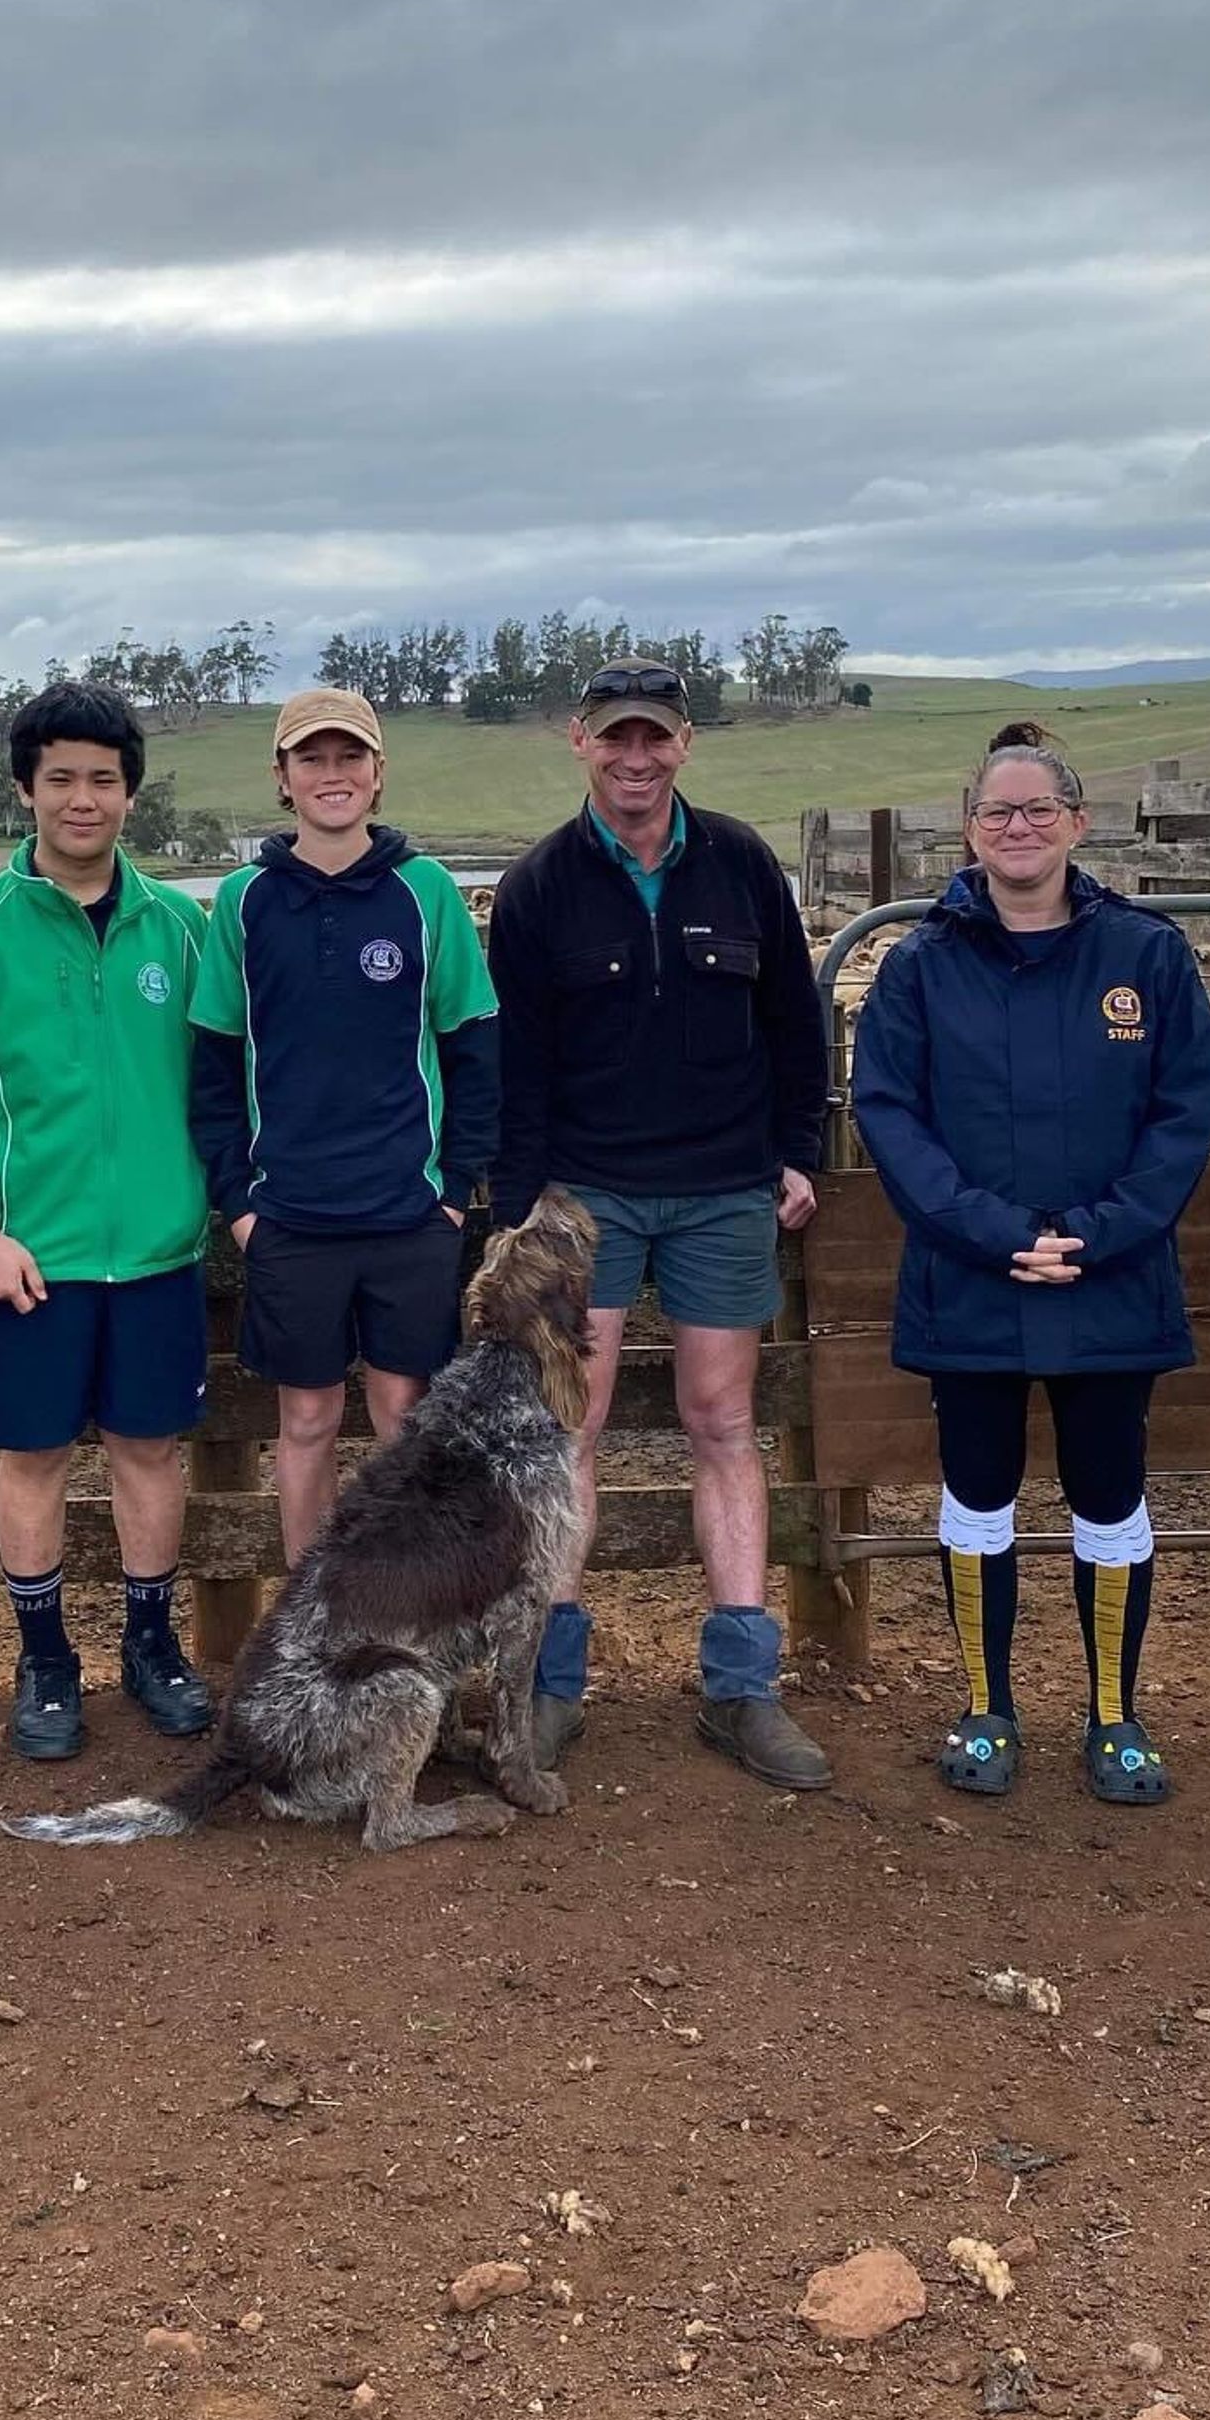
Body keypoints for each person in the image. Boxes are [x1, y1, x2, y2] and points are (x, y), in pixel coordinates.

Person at [852, 723, 1210, 1803]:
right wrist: (995, 1232)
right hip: (971, 1280)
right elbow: (889, 1113)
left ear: (1076, 822)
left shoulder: (1146, 955)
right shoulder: (919, 965)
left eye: (1037, 809)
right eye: (995, 812)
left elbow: (1186, 1107)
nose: (1017, 828)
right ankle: (987, 1707)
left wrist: (1102, 1233)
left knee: (1110, 1496)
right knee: (977, 1493)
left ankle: (1114, 1715)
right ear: (969, 831)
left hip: (1113, 1282)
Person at [487, 660, 828, 1788]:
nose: (635, 759)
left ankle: (742, 1687)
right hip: (585, 1197)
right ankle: (549, 1684)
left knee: (722, 1419)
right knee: (568, 1433)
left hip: (724, 1188)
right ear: (579, 741)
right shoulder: (538, 885)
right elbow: (518, 1058)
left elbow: (795, 1020)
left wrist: (797, 1149)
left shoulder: (741, 863)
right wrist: (520, 1202)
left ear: (685, 743)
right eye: (615, 738)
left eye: (656, 738)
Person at [0, 682, 217, 1762]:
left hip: (156, 1250)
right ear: (25, 788)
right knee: (35, 1456)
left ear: (131, 793)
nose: (82, 798)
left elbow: (218, 1082)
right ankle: (45, 1659)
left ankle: (152, 1643)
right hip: (28, 1255)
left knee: (149, 1448)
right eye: (61, 778)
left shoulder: (182, 929)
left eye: (103, 778)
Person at [190, 687, 499, 1563]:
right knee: (307, 1418)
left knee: (406, 1415)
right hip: (291, 1215)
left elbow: (475, 1050)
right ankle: (313, 1615)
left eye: (350, 756)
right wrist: (241, 1205)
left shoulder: (425, 892)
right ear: (282, 777)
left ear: (378, 772)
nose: (333, 774)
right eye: (312, 759)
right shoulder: (243, 901)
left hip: (408, 1213)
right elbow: (214, 1069)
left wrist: (451, 1192)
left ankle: (408, 1610)